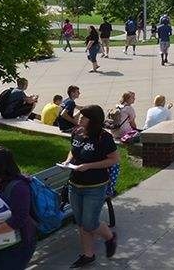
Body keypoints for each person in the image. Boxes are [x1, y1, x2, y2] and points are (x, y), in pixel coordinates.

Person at [64, 105, 119, 267]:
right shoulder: (77, 132)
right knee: (81, 222)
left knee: (89, 222)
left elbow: (114, 159)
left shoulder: (103, 137)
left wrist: (89, 166)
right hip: (75, 185)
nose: (79, 118)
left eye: (83, 117)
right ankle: (88, 254)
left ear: (93, 120)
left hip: (95, 186)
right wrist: (68, 160)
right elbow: (74, 150)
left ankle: (110, 237)